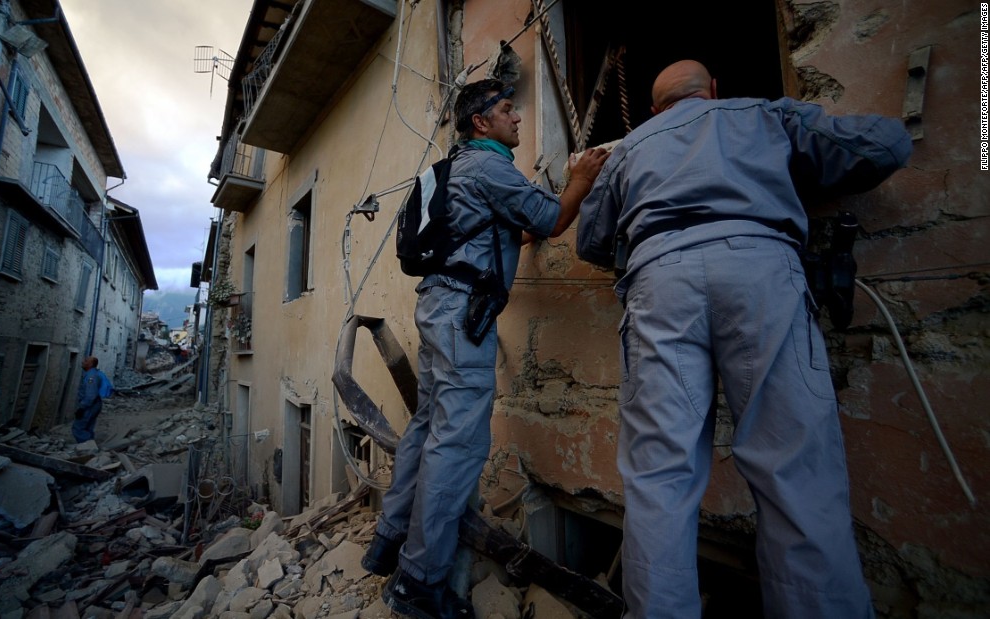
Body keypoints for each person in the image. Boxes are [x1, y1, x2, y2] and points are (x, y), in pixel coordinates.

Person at [575, 59, 912, 618]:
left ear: (656, 109)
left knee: (660, 477)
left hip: (658, 285)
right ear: (712, 90)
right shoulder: (761, 115)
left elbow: (590, 238)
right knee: (795, 471)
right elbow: (887, 146)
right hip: (761, 273)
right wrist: (776, 175)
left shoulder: (633, 145)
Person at [363, 78, 608, 619]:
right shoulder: (490, 166)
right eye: (505, 110)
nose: (517, 118)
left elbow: (493, 232)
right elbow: (550, 218)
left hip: (438, 306)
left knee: (428, 427)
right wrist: (580, 179)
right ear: (481, 122)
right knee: (458, 446)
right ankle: (419, 584)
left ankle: (388, 541)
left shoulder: (457, 171)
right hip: (461, 315)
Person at [72, 356, 105, 443]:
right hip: (94, 404)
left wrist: (82, 408)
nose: (83, 362)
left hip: (90, 405)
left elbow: (90, 395)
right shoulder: (93, 373)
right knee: (88, 426)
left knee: (78, 428)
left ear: (90, 364)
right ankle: (90, 445)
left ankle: (87, 447)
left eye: (85, 361)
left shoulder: (91, 376)